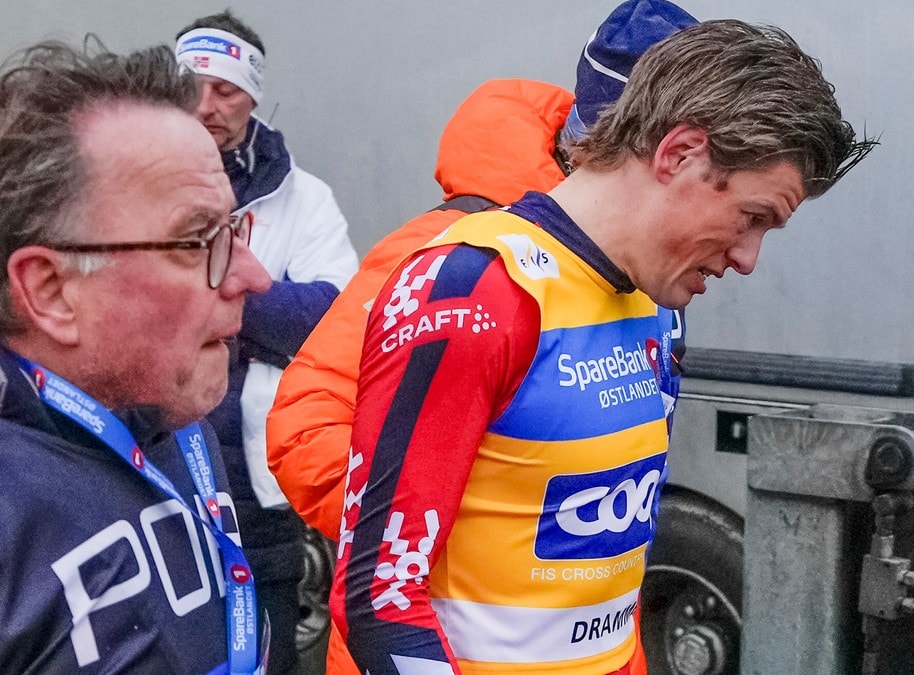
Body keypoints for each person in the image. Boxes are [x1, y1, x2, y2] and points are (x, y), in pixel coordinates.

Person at [330, 18, 874, 675]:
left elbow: (607, 590)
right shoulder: (475, 289)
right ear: (679, 154)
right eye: (752, 217)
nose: (748, 258)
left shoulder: (658, 307)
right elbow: (380, 598)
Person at [265, 3, 696, 671]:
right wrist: (456, 509)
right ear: (657, 152)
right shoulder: (457, 257)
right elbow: (304, 425)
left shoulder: (638, 269)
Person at [0, 39, 272, 672]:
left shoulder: (172, 417)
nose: (254, 277)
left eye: (234, 230)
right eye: (197, 240)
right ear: (52, 290)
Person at [175, 10, 360, 673]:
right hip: (161, 455)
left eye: (226, 89)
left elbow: (333, 319)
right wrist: (260, 304)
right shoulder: (133, 185)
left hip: (260, 475)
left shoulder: (302, 198)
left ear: (253, 95)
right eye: (191, 85)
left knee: (272, 649)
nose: (206, 104)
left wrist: (213, 296)